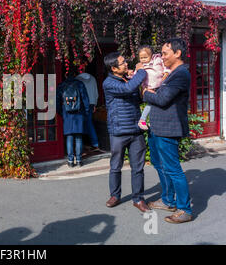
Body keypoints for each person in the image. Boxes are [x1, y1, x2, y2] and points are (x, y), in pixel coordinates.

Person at [143, 38, 193, 224]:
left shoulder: (180, 74)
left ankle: (184, 209)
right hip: (158, 127)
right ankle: (167, 200)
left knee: (173, 169)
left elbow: (162, 99)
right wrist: (153, 93)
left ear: (177, 53)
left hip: (169, 128)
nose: (161, 57)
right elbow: (161, 96)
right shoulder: (170, 73)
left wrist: (146, 93)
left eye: (165, 53)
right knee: (158, 163)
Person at [102, 52, 150, 213]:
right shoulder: (108, 83)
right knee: (116, 166)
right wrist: (141, 70)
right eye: (122, 63)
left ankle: (138, 198)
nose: (126, 64)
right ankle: (115, 195)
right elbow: (128, 89)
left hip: (135, 130)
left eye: (125, 62)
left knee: (138, 167)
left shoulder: (127, 79)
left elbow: (137, 96)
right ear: (114, 68)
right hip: (118, 131)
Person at [57, 66, 91, 168]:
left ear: (65, 75)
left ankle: (70, 161)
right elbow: (85, 99)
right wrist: (86, 111)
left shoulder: (62, 85)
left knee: (69, 137)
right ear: (75, 74)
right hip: (79, 113)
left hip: (67, 113)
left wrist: (61, 112)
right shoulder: (80, 84)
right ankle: (79, 160)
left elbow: (57, 101)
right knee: (79, 137)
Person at [132, 46, 170, 130]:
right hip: (149, 88)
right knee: (151, 104)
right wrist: (131, 75)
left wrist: (166, 72)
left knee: (161, 103)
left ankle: (155, 121)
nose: (143, 60)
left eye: (145, 57)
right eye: (141, 58)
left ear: (151, 56)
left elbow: (165, 66)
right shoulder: (140, 65)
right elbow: (136, 75)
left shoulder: (158, 60)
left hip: (160, 86)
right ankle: (143, 120)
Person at [76, 71, 101, 152]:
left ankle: (81, 145)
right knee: (89, 123)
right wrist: (94, 104)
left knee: (80, 124)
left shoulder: (77, 79)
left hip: (81, 103)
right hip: (91, 103)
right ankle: (95, 143)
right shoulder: (93, 78)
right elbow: (96, 92)